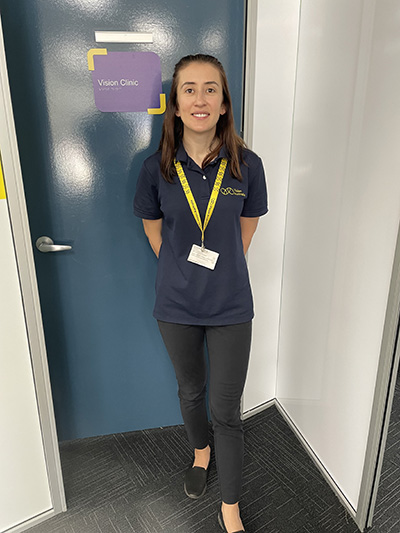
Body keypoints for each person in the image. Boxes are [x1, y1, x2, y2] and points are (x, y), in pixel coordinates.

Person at [134, 54, 268, 533]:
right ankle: (200, 452)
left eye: (211, 89)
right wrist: (179, 270)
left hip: (232, 305)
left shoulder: (246, 165)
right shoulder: (157, 168)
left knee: (226, 409)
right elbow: (154, 230)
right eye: (189, 89)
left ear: (224, 103)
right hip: (176, 304)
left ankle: (228, 507)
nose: (200, 98)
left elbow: (246, 231)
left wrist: (220, 270)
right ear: (174, 104)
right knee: (191, 390)